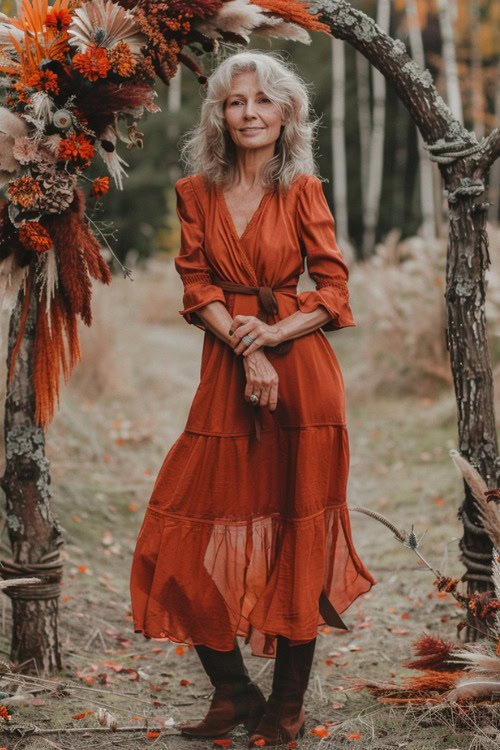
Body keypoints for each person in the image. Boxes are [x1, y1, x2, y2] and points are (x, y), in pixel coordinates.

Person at [129, 49, 376, 747]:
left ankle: (287, 705)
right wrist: (251, 349)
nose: (249, 113)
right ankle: (235, 691)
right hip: (229, 374)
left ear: (286, 112)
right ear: (219, 113)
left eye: (263, 101)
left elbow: (332, 291)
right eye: (236, 102)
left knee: (300, 532)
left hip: (303, 379)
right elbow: (196, 288)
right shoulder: (196, 193)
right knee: (173, 539)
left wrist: (273, 334)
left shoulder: (303, 189)